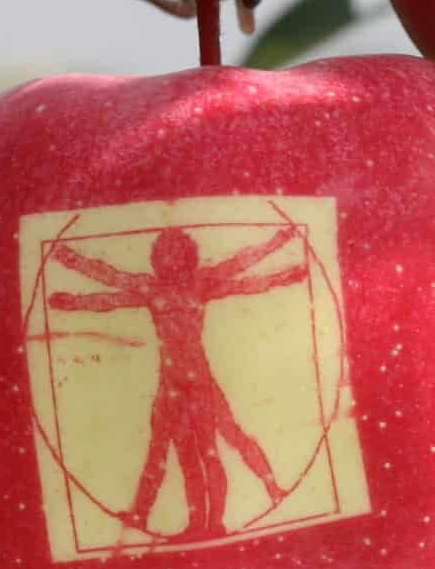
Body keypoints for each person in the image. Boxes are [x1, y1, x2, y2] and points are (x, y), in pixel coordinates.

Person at [47, 224, 305, 542]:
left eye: (175, 252)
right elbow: (110, 288)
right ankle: (177, 520)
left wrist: (279, 257)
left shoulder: (201, 283)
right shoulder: (151, 288)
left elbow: (241, 275)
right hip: (171, 382)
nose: (169, 259)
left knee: (216, 445)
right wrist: (70, 278)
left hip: (198, 381)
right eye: (164, 253)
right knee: (172, 450)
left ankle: (235, 510)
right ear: (157, 258)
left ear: (187, 256)